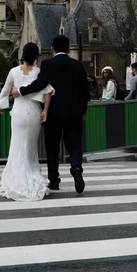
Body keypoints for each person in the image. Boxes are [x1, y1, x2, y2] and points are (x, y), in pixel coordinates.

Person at [12, 35, 90, 194]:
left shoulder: (47, 64)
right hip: (74, 112)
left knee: (52, 147)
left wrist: (21, 91)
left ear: (52, 49)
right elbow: (86, 92)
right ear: (69, 49)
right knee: (74, 144)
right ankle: (76, 167)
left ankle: (54, 180)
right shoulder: (78, 66)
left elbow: (41, 84)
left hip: (53, 112)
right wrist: (82, 110)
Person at [0, 43, 54, 201]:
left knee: (17, 146)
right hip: (34, 113)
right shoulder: (38, 73)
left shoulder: (13, 72)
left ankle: (16, 179)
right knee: (30, 148)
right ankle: (32, 174)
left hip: (19, 113)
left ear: (22, 54)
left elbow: (4, 93)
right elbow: (48, 92)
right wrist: (45, 111)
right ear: (36, 57)